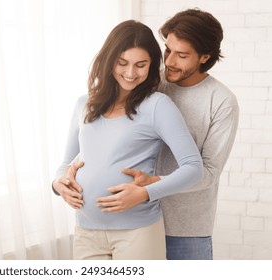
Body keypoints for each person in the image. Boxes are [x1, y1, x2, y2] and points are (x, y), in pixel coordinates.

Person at [62, 8, 239, 260]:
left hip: (183, 225)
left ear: (204, 57)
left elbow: (208, 171)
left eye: (182, 55)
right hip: (121, 219)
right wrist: (66, 178)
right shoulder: (145, 81)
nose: (170, 62)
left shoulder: (221, 101)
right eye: (167, 50)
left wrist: (149, 188)